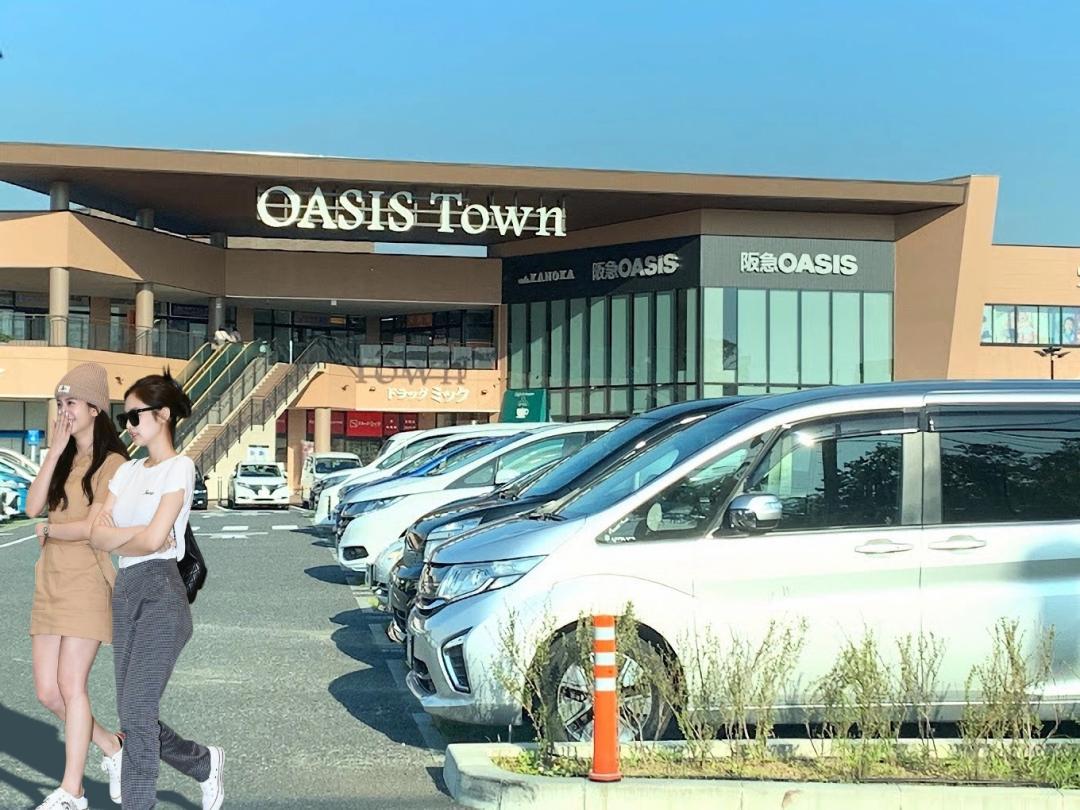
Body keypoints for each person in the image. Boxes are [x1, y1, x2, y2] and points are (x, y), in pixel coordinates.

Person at [90, 373, 224, 810]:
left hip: (162, 594)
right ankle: (203, 763)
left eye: (134, 416)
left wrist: (127, 536)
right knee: (134, 715)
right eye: (123, 417)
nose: (127, 425)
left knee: (136, 713)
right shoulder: (126, 472)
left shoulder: (179, 467)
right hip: (126, 590)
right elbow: (100, 535)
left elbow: (153, 541)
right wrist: (139, 536)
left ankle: (138, 803)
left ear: (163, 415)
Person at [28, 363, 128, 810]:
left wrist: (52, 530)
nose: (63, 410)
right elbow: (33, 507)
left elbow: (92, 528)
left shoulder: (114, 464)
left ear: (95, 409)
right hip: (50, 580)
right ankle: (111, 746)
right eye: (59, 403)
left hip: (88, 580)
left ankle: (73, 791)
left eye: (71, 402)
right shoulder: (63, 457)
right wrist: (53, 452)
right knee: (47, 692)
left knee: (71, 685)